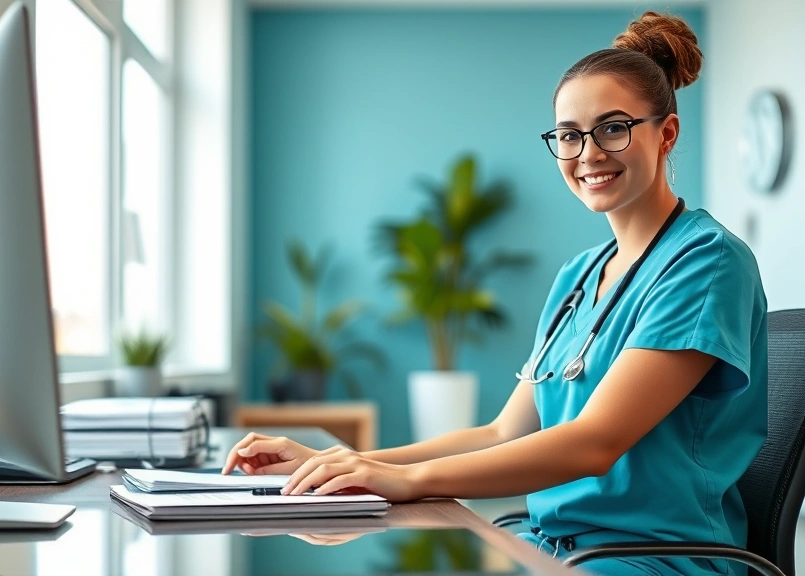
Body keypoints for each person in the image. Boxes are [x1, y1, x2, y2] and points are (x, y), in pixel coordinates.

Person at [223, 11, 767, 575]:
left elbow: (595, 442)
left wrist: (408, 481)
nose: (587, 154)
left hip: (652, 558)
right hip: (555, 547)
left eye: (612, 128)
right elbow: (502, 431)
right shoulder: (579, 276)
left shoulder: (706, 262)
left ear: (667, 133)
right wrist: (347, 462)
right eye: (569, 135)